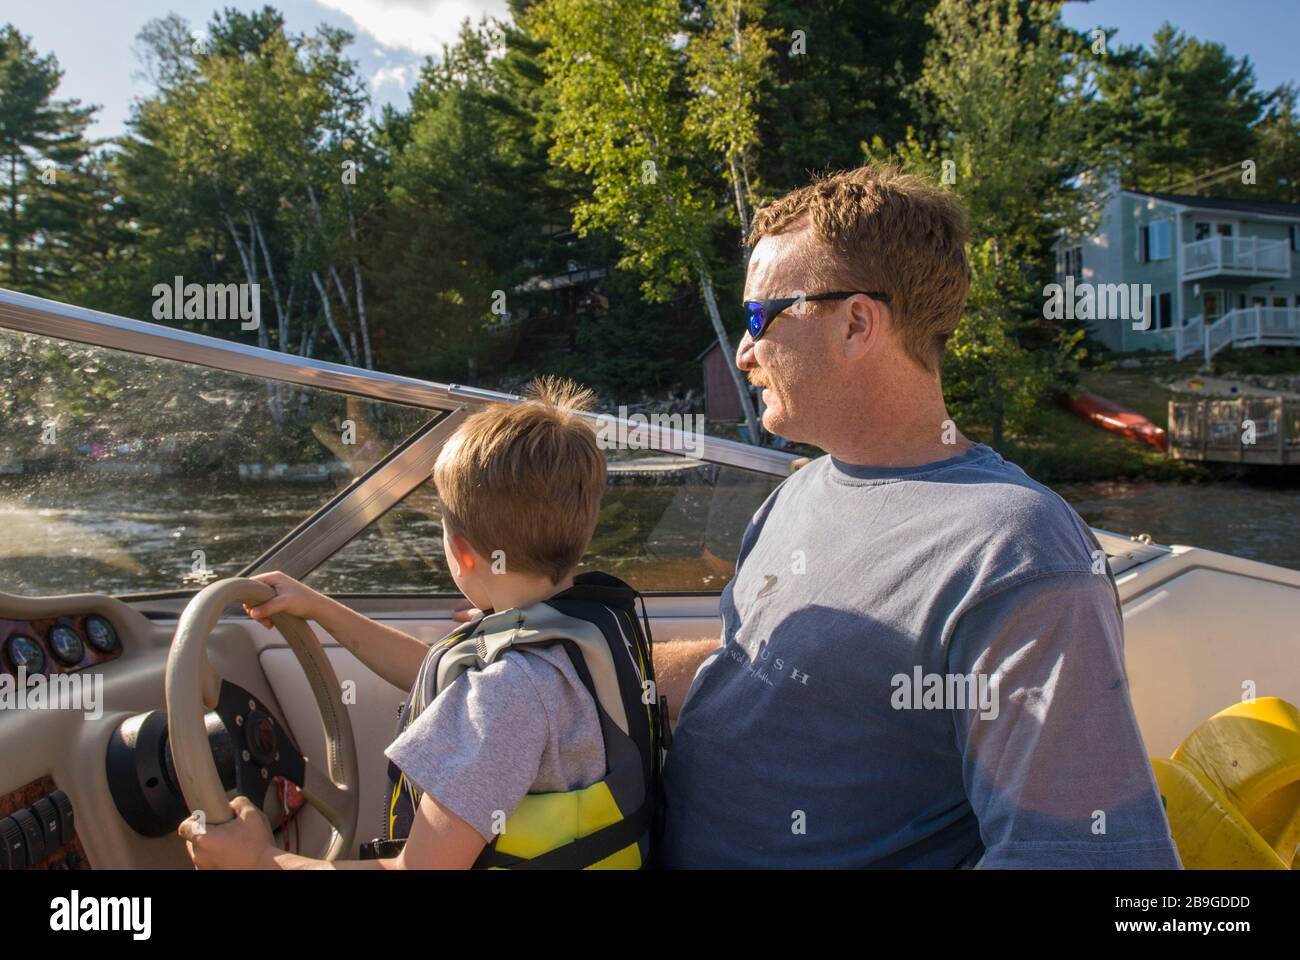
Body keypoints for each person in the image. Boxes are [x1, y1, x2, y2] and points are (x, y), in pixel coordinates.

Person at [654, 164, 1181, 868]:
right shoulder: (798, 492)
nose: (745, 351)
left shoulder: (1015, 549)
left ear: (856, 323)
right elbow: (760, 673)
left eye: (759, 317)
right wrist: (582, 657)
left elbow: (1087, 860)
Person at [179, 377, 664, 869]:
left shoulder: (505, 694)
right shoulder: (577, 635)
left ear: (459, 553)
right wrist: (319, 609)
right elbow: (436, 674)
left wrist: (259, 861)